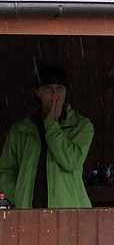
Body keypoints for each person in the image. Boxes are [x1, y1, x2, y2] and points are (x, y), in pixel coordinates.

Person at [0, 65, 94, 209]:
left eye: (59, 88)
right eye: (48, 88)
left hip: (69, 211)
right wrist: (18, 195)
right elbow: (5, 170)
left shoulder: (81, 126)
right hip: (28, 211)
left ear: (66, 92)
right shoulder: (21, 130)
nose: (54, 93)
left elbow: (71, 162)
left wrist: (51, 125)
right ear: (38, 92)